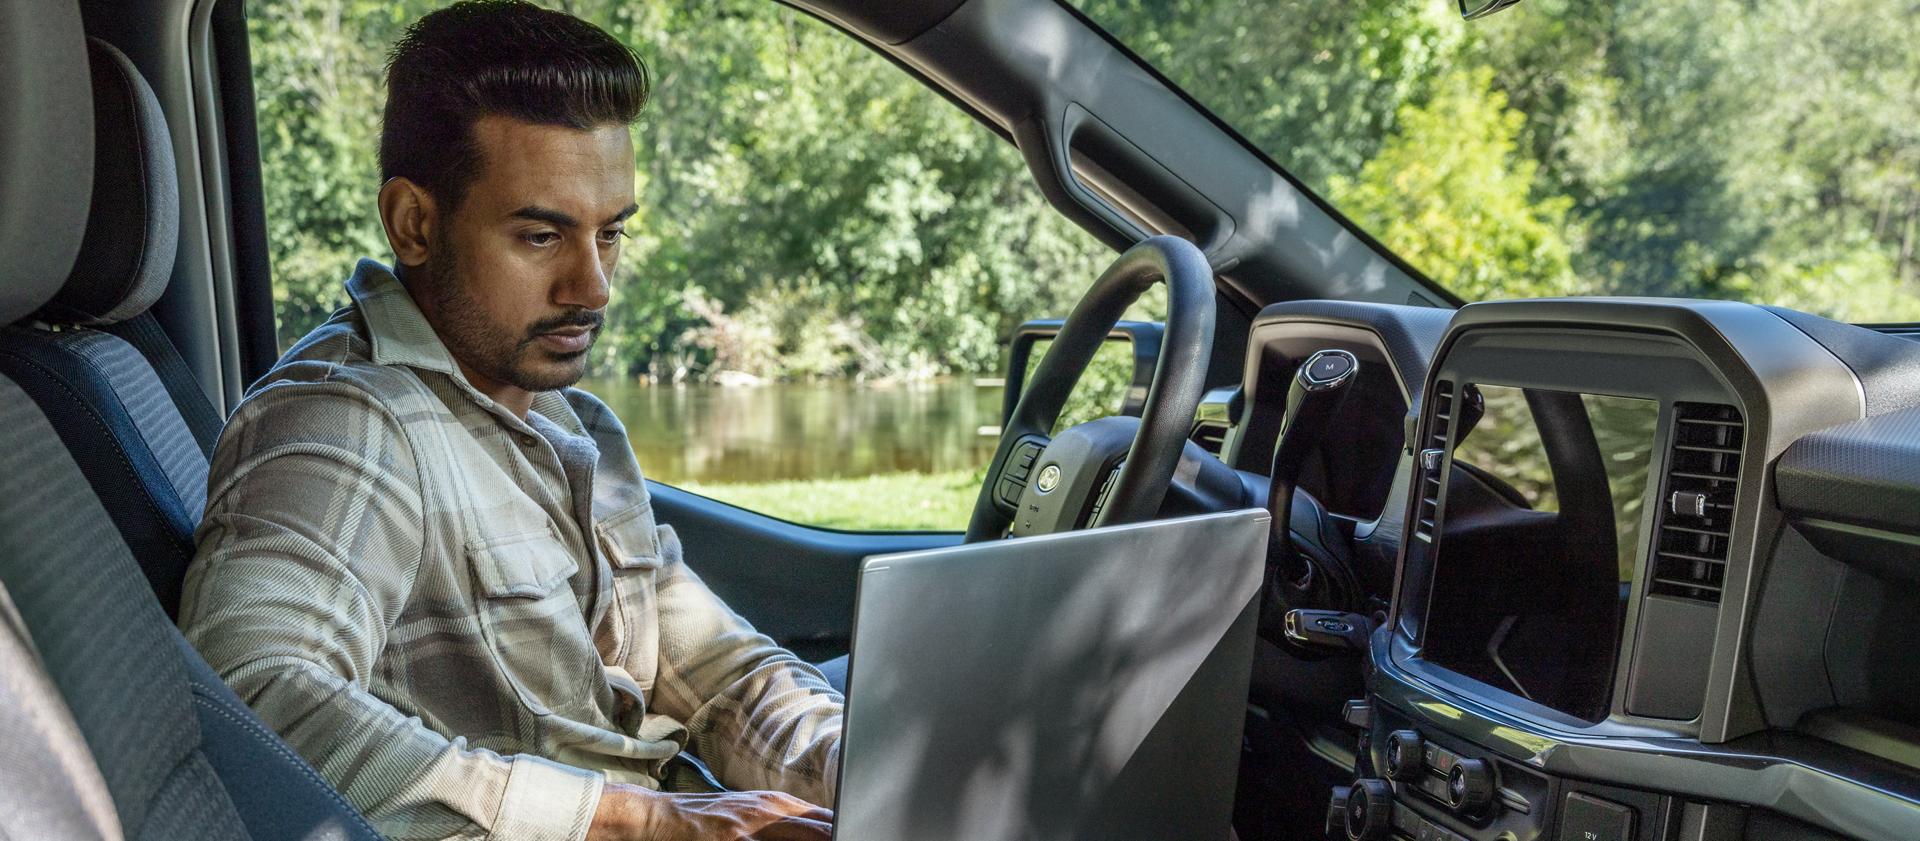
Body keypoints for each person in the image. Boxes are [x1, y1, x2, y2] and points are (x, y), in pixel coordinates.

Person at [178, 3, 840, 839]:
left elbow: (707, 666)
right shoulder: (348, 422)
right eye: (541, 235)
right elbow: (247, 695)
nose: (593, 285)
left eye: (612, 233)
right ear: (415, 223)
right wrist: (640, 822)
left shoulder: (572, 421)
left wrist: (857, 759)